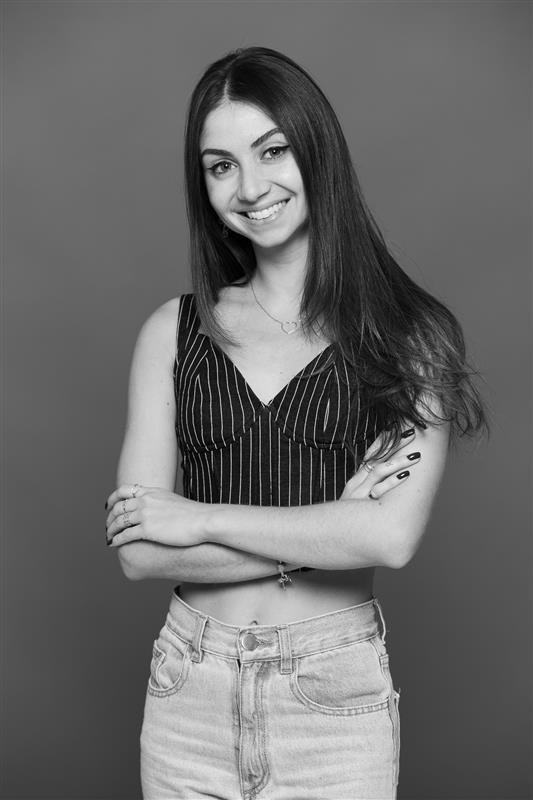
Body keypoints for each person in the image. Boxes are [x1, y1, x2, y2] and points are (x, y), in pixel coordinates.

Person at [105, 47, 486, 799]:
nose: (250, 188)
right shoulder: (171, 332)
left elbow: (388, 538)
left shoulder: (410, 335)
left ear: (317, 150)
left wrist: (199, 517)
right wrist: (329, 528)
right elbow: (140, 553)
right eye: (221, 166)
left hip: (331, 696)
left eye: (272, 151)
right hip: (188, 689)